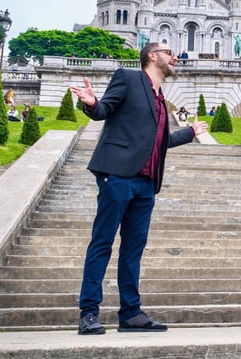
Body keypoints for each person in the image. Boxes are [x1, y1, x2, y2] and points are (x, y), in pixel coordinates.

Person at [70, 42, 208, 335]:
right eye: (169, 52)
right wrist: (92, 103)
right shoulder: (128, 78)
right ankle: (89, 313)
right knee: (102, 243)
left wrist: (191, 132)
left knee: (133, 250)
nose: (175, 56)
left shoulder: (160, 97)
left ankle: (130, 313)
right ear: (152, 56)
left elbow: (159, 141)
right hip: (117, 174)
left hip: (146, 183)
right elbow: (104, 110)